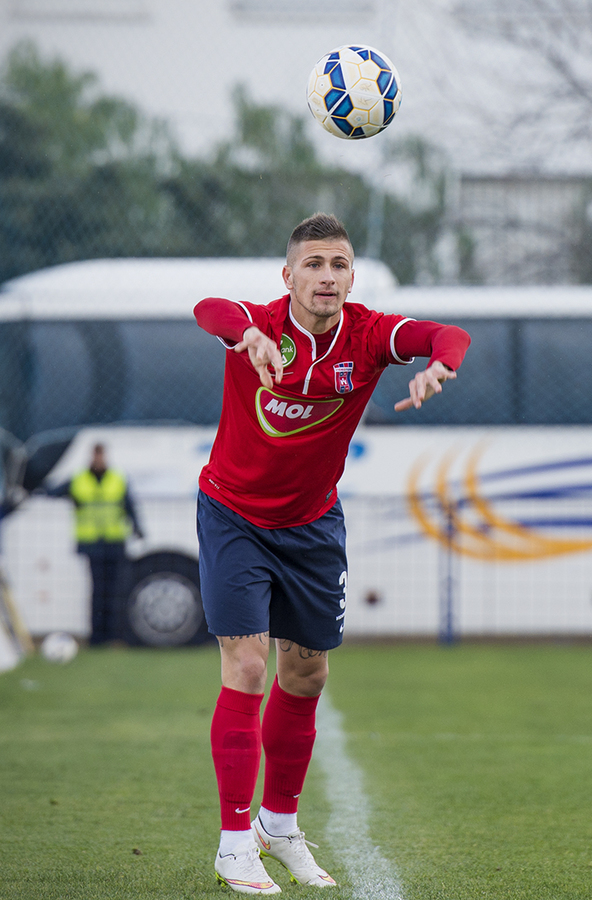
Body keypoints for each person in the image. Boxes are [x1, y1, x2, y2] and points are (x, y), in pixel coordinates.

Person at [191, 213, 470, 894]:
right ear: (288, 276)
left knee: (307, 674)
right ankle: (234, 843)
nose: (326, 276)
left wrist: (440, 365)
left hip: (313, 525)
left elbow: (448, 335)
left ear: (351, 277)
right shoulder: (259, 324)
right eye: (313, 264)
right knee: (248, 664)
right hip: (234, 515)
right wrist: (249, 336)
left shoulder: (369, 336)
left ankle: (278, 826)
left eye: (338, 264)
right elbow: (209, 308)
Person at [68, 443, 142, 645]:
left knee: (114, 591)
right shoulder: (79, 479)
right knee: (98, 590)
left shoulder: (117, 479)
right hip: (92, 544)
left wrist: (137, 527)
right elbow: (56, 491)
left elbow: (129, 505)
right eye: (96, 455)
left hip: (114, 542)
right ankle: (97, 636)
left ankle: (113, 635)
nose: (98, 459)